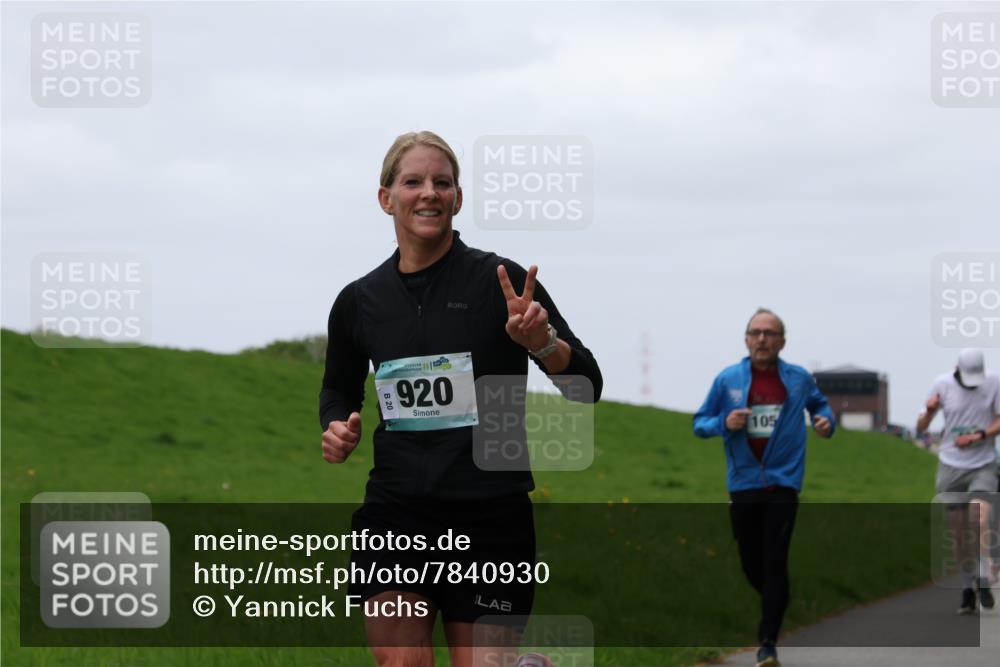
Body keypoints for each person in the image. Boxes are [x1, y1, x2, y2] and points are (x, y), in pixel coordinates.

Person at [319, 131, 602, 667]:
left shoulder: (503, 284)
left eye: (442, 183)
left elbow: (586, 385)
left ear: (458, 198)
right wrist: (336, 426)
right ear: (386, 199)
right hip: (397, 510)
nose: (429, 193)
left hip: (490, 514)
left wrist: (541, 343)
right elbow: (338, 387)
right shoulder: (359, 301)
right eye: (413, 182)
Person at [693, 308, 835, 667]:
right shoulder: (728, 380)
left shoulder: (799, 379)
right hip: (743, 484)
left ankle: (767, 643)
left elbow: (821, 406)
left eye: (769, 333)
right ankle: (779, 598)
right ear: (746, 339)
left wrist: (824, 421)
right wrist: (725, 422)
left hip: (783, 485)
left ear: (782, 341)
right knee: (750, 563)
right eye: (755, 332)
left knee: (774, 559)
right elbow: (700, 423)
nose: (762, 339)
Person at [916, 348, 999, 614]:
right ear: (957, 369)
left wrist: (979, 436)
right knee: (958, 533)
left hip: (983, 464)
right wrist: (929, 412)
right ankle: (967, 588)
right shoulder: (942, 385)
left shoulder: (994, 383)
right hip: (951, 465)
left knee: (980, 518)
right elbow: (921, 427)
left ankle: (984, 576)